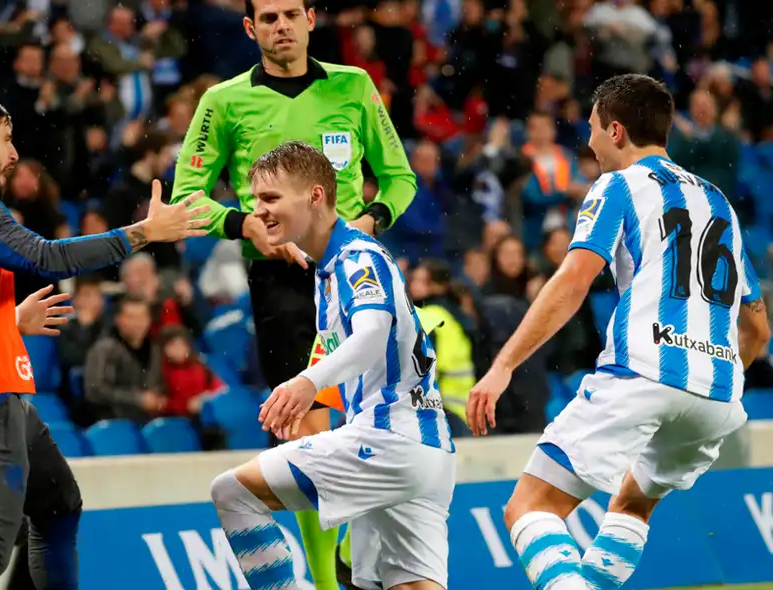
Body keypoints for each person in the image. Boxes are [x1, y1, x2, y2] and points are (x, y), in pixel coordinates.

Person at [0, 91, 207, 590]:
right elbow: (47, 257)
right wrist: (143, 233)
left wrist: (6, 322)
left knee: (58, 507)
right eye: (5, 139)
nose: (15, 153)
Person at [466, 74, 771, 590]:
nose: (588, 143)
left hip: (643, 371)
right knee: (631, 503)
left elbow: (573, 280)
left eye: (591, 130)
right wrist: (707, 371)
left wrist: (503, 364)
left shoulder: (618, 185)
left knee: (529, 508)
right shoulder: (719, 201)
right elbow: (758, 328)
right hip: (718, 394)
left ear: (615, 130)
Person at [171, 0, 417, 583]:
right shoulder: (224, 101)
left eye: (291, 14)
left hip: (357, 273)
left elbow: (400, 177)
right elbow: (189, 195)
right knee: (305, 426)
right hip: (280, 283)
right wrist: (247, 224)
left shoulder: (353, 87)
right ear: (251, 28)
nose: (281, 27)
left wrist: (371, 220)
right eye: (269, 18)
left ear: (311, 19)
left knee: (373, 419)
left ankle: (362, 552)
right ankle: (330, 579)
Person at [210, 141, 455, 590]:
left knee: (232, 491)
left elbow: (373, 333)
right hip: (428, 451)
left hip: (386, 441)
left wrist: (306, 382)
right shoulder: (329, 266)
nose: (258, 211)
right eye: (255, 199)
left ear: (316, 196)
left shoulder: (356, 258)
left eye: (270, 198)